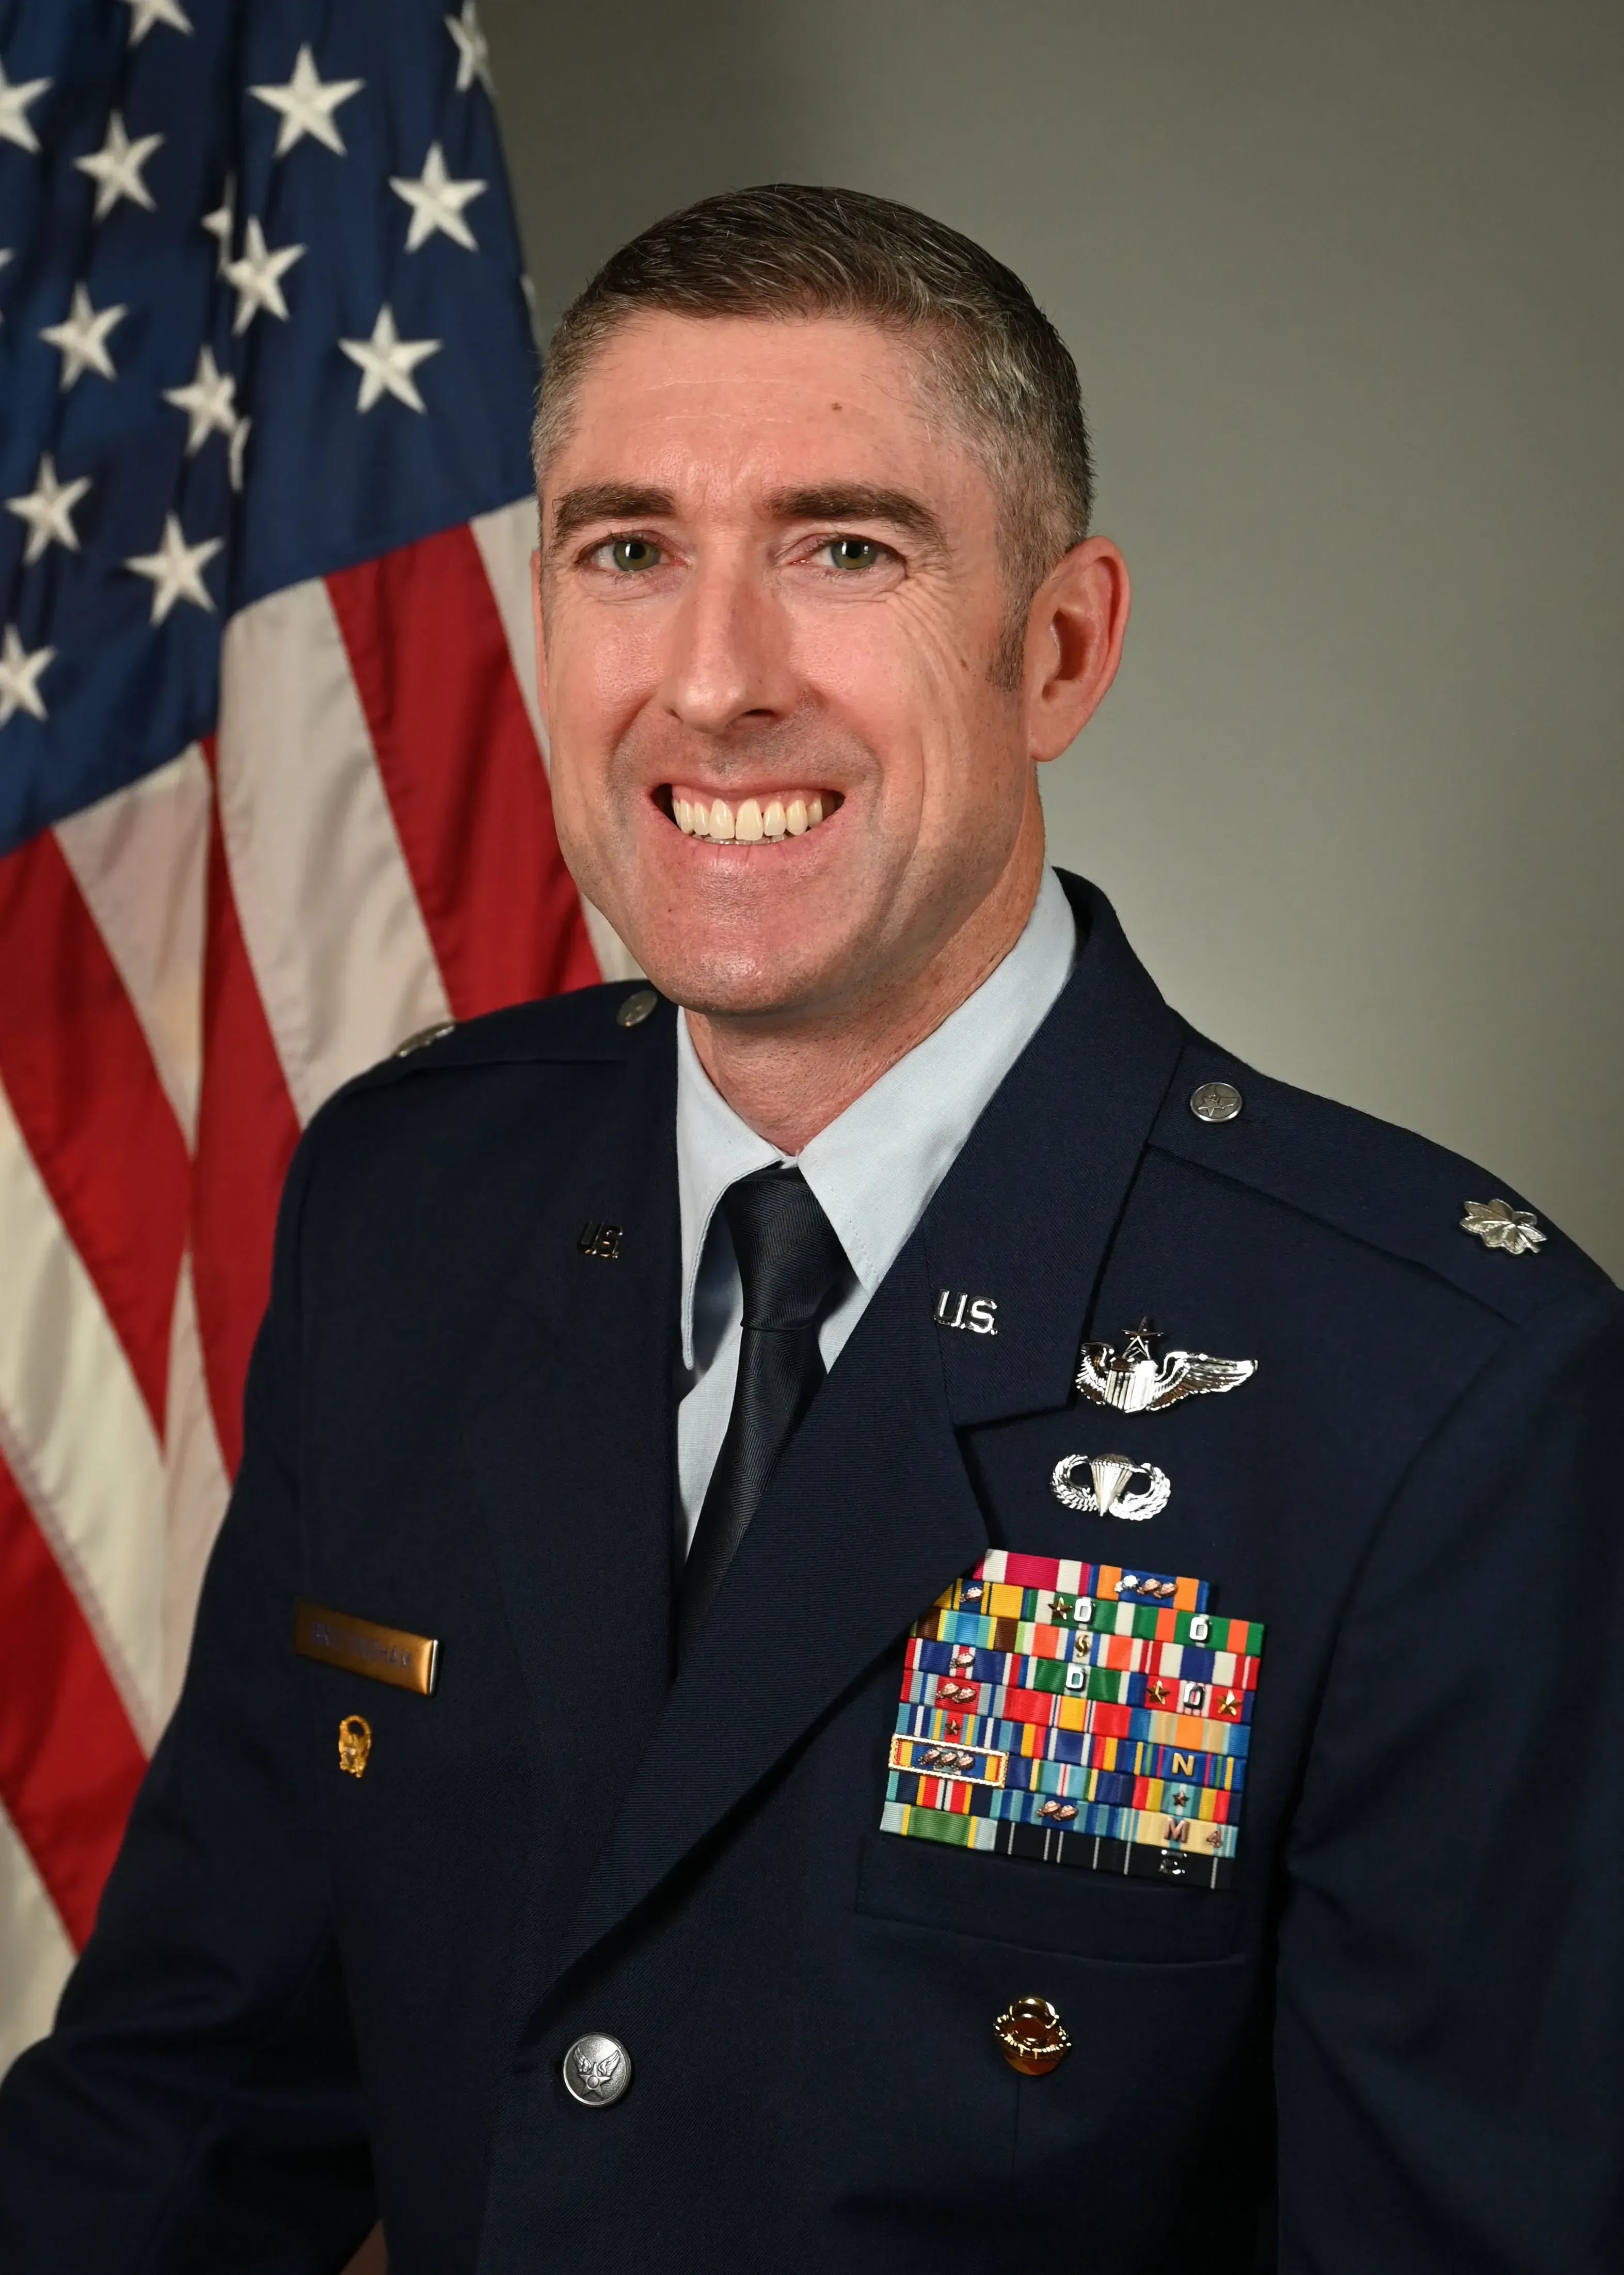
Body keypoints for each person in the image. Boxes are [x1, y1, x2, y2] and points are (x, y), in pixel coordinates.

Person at [1, 183, 1619, 2275]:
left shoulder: (1434, 1388)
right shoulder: (413, 1207)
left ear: (1057, 648)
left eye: (842, 548)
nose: (713, 683)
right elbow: (196, 2101)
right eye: (629, 551)